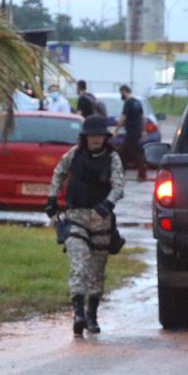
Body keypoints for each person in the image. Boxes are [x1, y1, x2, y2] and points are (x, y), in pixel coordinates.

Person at [46, 115, 125, 337]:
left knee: (97, 271)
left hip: (101, 220)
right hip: (76, 216)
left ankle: (92, 315)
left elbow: (119, 185)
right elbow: (59, 172)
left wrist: (107, 203)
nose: (96, 139)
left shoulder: (112, 158)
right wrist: (52, 199)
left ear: (105, 137)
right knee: (79, 264)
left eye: (100, 135)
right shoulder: (74, 154)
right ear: (85, 137)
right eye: (92, 135)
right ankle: (78, 313)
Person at [118, 85, 148, 181]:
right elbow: (143, 117)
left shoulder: (128, 102)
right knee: (129, 153)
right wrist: (143, 130)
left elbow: (123, 118)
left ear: (124, 91)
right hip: (137, 132)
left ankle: (140, 175)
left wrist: (116, 130)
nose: (121, 95)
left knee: (128, 154)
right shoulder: (137, 102)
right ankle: (140, 174)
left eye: (121, 93)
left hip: (131, 132)